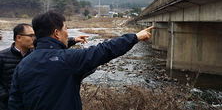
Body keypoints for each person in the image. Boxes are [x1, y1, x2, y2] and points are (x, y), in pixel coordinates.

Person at [8, 10, 152, 110]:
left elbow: (15, 104)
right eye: (66, 29)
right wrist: (135, 37)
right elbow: (104, 50)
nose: (67, 33)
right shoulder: (68, 59)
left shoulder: (23, 65)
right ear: (57, 33)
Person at [0, 23, 88, 110]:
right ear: (19, 38)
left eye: (35, 36)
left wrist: (73, 40)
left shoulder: (35, 55)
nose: (34, 39)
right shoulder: (2, 56)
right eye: (31, 36)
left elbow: (50, 47)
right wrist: (7, 96)